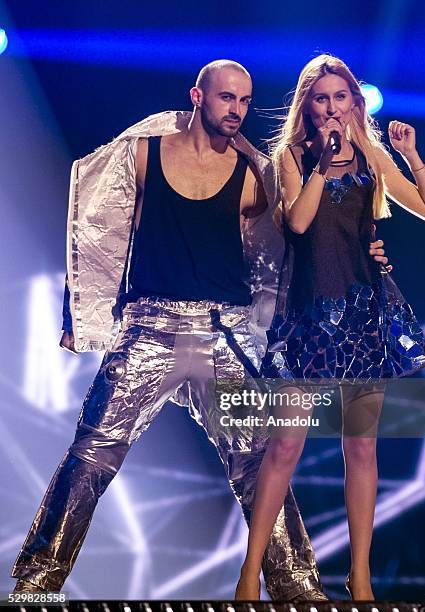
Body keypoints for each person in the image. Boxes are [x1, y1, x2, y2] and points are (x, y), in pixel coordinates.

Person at [11, 59, 326, 601]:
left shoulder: (254, 174)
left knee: (259, 460)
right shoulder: (143, 154)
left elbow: (288, 246)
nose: (238, 111)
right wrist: (79, 311)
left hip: (223, 333)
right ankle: (37, 583)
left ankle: (299, 589)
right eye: (227, 98)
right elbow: (94, 229)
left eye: (246, 101)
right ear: (198, 97)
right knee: (91, 453)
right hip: (149, 329)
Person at [235, 54, 425, 601]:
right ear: (308, 106)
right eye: (321, 99)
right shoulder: (291, 157)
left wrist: (410, 156)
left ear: (355, 102)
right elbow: (300, 223)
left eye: (340, 97)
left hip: (361, 317)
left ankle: (360, 575)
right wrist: (321, 165)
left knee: (362, 449)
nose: (332, 108)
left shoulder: (371, 158)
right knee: (284, 447)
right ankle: (250, 571)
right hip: (307, 317)